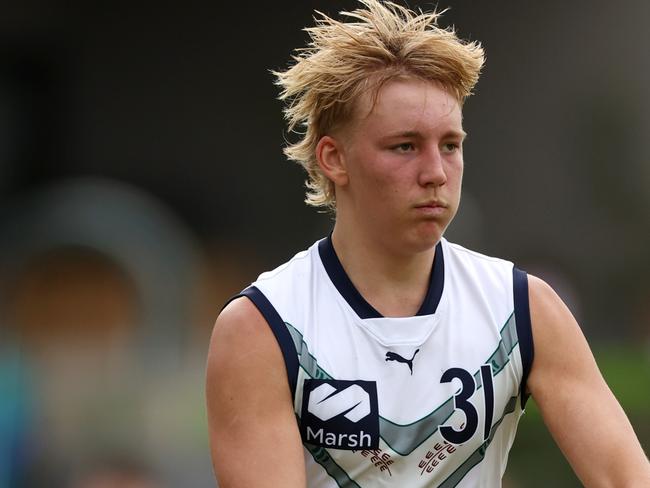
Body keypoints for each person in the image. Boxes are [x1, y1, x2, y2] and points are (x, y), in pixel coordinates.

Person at [205, 1, 650, 486]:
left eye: (451, 145)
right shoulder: (263, 327)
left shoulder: (524, 308)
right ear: (334, 158)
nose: (436, 173)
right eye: (405, 146)